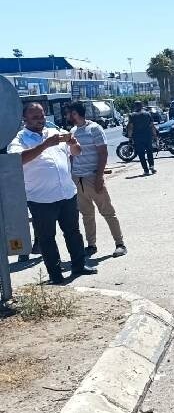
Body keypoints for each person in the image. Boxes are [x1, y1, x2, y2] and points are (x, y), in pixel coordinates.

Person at [7, 102, 97, 283]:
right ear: (24, 119)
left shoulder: (54, 132)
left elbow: (77, 152)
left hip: (66, 194)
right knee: (47, 238)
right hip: (41, 199)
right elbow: (18, 160)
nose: (40, 120)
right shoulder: (19, 139)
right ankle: (55, 275)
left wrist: (73, 143)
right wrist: (45, 145)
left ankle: (79, 265)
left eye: (41, 116)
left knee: (73, 232)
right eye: (35, 117)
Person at [66, 102, 128, 258]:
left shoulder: (94, 129)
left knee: (107, 212)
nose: (68, 116)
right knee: (86, 214)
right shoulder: (73, 131)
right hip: (78, 179)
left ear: (77, 113)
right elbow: (72, 156)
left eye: (70, 113)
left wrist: (99, 177)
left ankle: (120, 244)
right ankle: (91, 245)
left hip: (93, 177)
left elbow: (103, 153)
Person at [127, 101, 158, 175]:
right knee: (149, 152)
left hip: (137, 137)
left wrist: (130, 137)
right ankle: (152, 167)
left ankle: (146, 170)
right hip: (147, 136)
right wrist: (155, 135)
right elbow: (152, 125)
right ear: (142, 106)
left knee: (141, 154)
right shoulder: (147, 114)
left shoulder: (132, 115)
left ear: (135, 106)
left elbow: (130, 127)